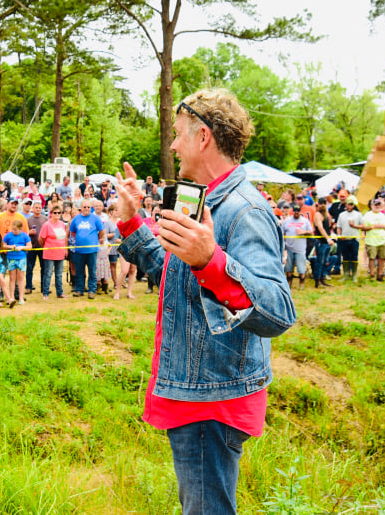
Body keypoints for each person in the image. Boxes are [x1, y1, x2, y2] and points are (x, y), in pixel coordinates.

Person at [114, 88, 295, 515]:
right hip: (198, 390)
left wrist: (212, 262)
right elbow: (174, 278)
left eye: (178, 134)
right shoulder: (205, 201)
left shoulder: (245, 210)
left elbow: (278, 311)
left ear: (203, 137)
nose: (173, 145)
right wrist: (131, 222)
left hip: (212, 400)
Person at [69, 202, 104, 298]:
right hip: (79, 251)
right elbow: (72, 232)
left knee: (92, 271)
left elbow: (102, 230)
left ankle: (92, 290)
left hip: (92, 250)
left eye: (88, 207)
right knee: (79, 271)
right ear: (81, 208)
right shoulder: (76, 219)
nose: (86, 208)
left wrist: (96, 239)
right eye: (84, 207)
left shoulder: (95, 218)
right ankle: (79, 289)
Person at [38, 205, 68, 299]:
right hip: (49, 253)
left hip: (60, 253)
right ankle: (45, 293)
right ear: (51, 214)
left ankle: (60, 292)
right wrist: (45, 247)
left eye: (59, 213)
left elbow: (65, 237)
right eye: (55, 213)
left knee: (59, 274)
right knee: (48, 273)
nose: (57, 214)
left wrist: (65, 249)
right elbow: (41, 238)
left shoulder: (62, 224)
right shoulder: (46, 225)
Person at [281, 204, 312, 289]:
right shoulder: (287, 221)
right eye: (295, 211)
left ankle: (302, 284)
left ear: (300, 211)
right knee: (288, 269)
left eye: (298, 211)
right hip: (289, 248)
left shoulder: (305, 221)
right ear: (293, 211)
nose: (296, 212)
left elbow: (311, 232)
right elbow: (282, 234)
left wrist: (303, 231)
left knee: (301, 269)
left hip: (300, 249)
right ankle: (288, 285)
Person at [360, 199, 385, 282]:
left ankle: (380, 274)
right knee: (372, 258)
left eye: (378, 204)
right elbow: (363, 227)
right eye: (375, 204)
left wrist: (382, 226)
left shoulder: (383, 215)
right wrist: (373, 226)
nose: (377, 206)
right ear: (371, 205)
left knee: (382, 257)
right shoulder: (367, 215)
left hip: (382, 239)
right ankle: (372, 274)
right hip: (371, 240)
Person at [335, 196, 363, 282]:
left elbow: (363, 225)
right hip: (344, 239)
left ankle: (354, 275)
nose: (349, 206)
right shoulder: (342, 215)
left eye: (351, 204)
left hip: (354, 239)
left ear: (353, 205)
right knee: (345, 257)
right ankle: (346, 274)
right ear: (346, 204)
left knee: (354, 257)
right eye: (348, 204)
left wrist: (355, 226)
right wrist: (339, 235)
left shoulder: (358, 214)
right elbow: (338, 227)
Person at [3, 219, 30, 305]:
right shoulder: (8, 235)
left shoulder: (25, 236)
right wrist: (10, 246)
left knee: (20, 278)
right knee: (12, 278)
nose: (13, 231)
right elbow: (3, 245)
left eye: (15, 229)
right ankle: (11, 297)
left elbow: (30, 246)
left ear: (20, 229)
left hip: (21, 259)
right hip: (11, 258)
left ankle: (21, 298)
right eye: (13, 229)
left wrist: (22, 247)